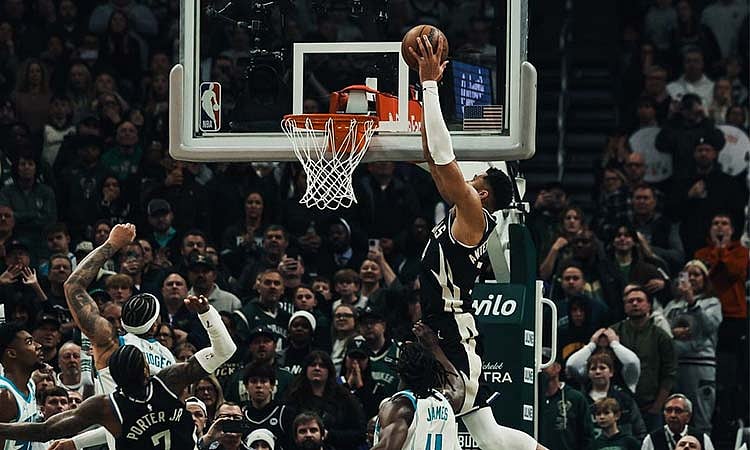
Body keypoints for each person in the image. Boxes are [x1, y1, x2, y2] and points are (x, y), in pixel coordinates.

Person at [408, 34, 543, 450]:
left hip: (451, 334)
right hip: (449, 331)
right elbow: (433, 156)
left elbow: (444, 157)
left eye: (476, 178)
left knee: (433, 420)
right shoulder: (466, 211)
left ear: (481, 194)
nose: (468, 177)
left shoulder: (471, 212)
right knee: (490, 438)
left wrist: (430, 83)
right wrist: (421, 97)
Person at [0, 295, 237, 450]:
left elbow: (44, 431)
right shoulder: (168, 381)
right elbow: (226, 350)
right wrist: (207, 312)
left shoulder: (108, 406)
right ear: (147, 371)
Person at [61, 223, 176, 447]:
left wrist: (112, 244)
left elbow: (73, 286)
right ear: (157, 322)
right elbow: (147, 422)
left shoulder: (112, 345)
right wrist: (77, 442)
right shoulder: (170, 358)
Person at [371, 322, 461, 450]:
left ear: (399, 370)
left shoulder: (399, 407)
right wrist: (434, 347)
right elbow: (456, 385)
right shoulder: (446, 400)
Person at [0, 322, 44, 450]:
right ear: (12, 353)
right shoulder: (4, 396)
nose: (38, 346)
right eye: (29, 342)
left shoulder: (30, 385)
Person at [641, 394, 716, 450]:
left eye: (678, 411)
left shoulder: (702, 438)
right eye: (669, 410)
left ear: (688, 416)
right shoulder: (652, 439)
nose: (673, 415)